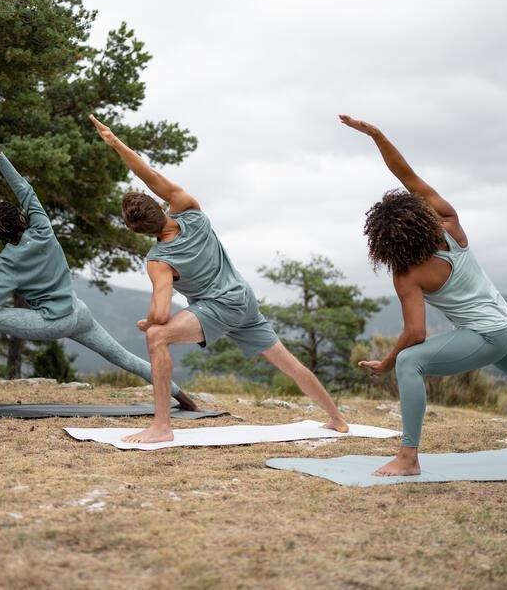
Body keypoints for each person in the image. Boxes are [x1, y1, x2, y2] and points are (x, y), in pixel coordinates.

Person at [340, 114, 507, 476]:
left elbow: (415, 335)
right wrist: (376, 135)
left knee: (410, 362)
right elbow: (406, 176)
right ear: (418, 214)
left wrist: (388, 360)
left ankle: (408, 458)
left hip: (487, 336)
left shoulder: (407, 274)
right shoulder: (449, 222)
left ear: (383, 243)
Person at [89, 114, 349, 443]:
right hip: (243, 298)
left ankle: (161, 426)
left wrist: (149, 321)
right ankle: (338, 419)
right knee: (289, 364)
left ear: (137, 231)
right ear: (161, 205)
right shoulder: (190, 210)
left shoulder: (159, 260)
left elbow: (160, 312)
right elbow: (150, 174)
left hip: (219, 307)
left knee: (157, 336)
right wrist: (115, 143)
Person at [0, 123, 198, 414]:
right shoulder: (42, 227)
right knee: (122, 357)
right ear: (21, 217)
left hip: (54, 321)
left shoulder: (7, 262)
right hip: (78, 312)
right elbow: (23, 188)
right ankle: (185, 399)